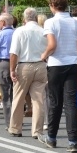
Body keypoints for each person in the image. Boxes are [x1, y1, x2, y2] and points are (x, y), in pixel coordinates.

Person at [40, 0, 77, 152]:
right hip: (73, 64)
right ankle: (73, 141)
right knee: (71, 103)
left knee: (55, 102)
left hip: (56, 64)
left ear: (52, 5)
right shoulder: (75, 23)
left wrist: (44, 55)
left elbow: (52, 45)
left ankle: (51, 137)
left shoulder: (50, 22)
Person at [9, 8, 47, 138]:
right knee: (38, 100)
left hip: (24, 65)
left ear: (24, 19)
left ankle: (15, 128)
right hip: (41, 65)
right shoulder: (43, 31)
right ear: (36, 18)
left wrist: (12, 70)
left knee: (18, 97)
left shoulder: (20, 31)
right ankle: (37, 131)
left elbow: (14, 53)